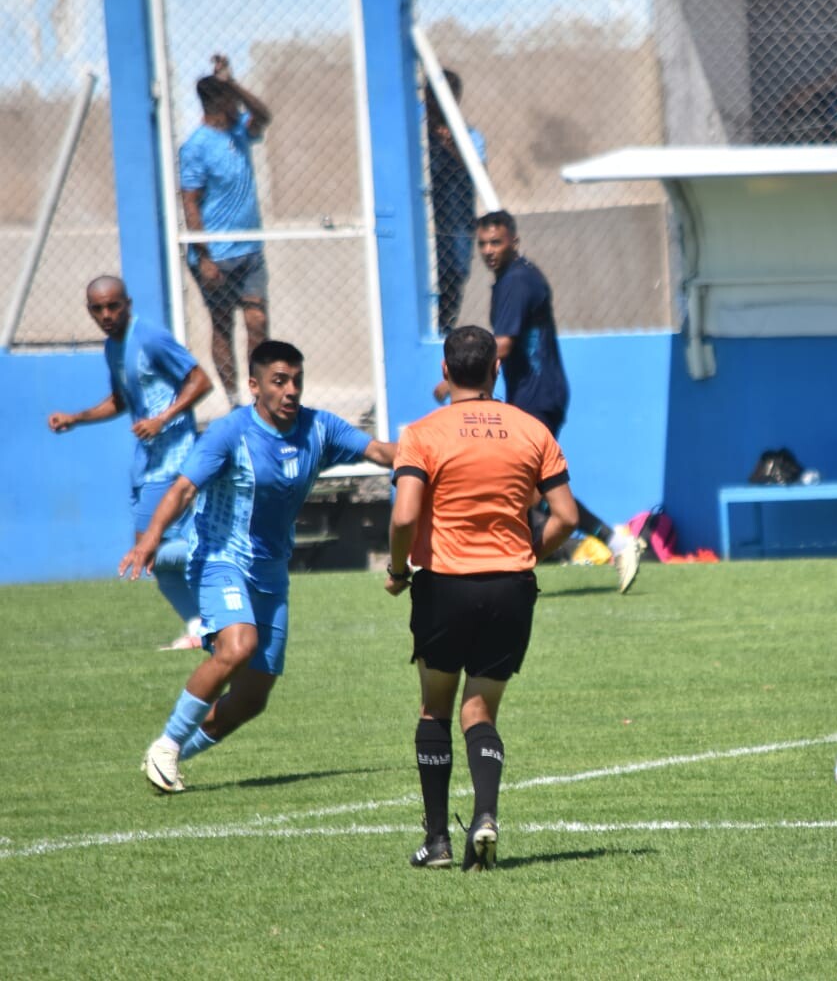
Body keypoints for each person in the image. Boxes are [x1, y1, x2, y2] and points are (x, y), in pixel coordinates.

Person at [123, 340, 395, 794]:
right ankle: (168, 743)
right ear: (255, 385)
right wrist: (150, 539)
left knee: (251, 699)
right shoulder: (230, 432)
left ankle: (169, 759)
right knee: (236, 646)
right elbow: (184, 488)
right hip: (220, 558)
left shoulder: (319, 428)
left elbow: (383, 453)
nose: (291, 390)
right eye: (279, 381)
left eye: (297, 381)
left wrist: (440, 453)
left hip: (271, 571)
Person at [389, 326, 579, 871]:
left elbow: (404, 515)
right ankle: (486, 816)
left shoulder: (422, 433)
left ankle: (437, 844)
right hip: (510, 587)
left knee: (436, 708)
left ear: (445, 373)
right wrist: (527, 555)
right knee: (481, 710)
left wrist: (398, 568)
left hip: (445, 584)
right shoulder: (531, 429)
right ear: (495, 370)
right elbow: (565, 517)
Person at [432, 210, 644, 593]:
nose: (488, 250)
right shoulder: (509, 281)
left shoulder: (518, 281)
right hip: (532, 395)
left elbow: (506, 343)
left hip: (538, 395)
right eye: (482, 243)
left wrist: (456, 377)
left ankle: (614, 541)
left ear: (514, 241)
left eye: (495, 242)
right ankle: (518, 569)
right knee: (528, 490)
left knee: (532, 489)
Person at [48, 276, 215, 650]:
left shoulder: (152, 338)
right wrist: (77, 418)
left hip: (176, 459)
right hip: (149, 464)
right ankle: (200, 627)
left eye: (113, 306)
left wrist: (164, 418)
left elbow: (201, 381)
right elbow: (122, 401)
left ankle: (227, 572)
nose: (106, 315)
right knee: (149, 555)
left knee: (148, 551)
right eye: (98, 309)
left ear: (128, 303)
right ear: (89, 310)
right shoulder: (114, 347)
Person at [179, 53, 272, 405]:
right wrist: (204, 256)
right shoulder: (196, 147)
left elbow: (264, 115)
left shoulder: (240, 131)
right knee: (222, 326)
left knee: (257, 322)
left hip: (249, 251)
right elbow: (189, 202)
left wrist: (232, 82)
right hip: (216, 255)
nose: (238, 103)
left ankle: (261, 396)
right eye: (232, 98)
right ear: (218, 104)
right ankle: (234, 401)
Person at [425, 69, 487, 334]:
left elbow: (479, 174)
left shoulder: (468, 135)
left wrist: (452, 146)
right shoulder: (411, 131)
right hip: (422, 220)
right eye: (434, 96)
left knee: (456, 272)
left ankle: (444, 329)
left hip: (455, 220)